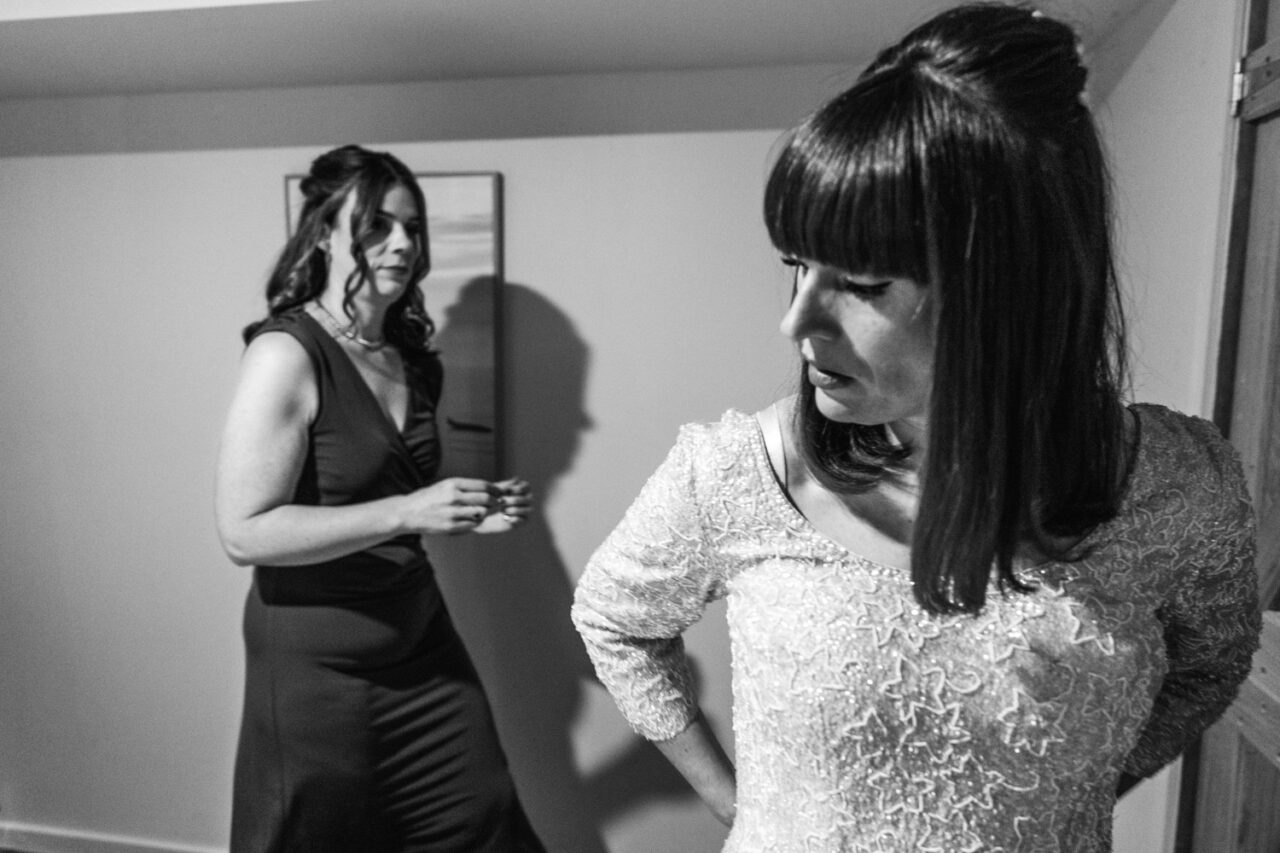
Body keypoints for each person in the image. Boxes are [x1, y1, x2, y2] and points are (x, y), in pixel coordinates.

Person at [571, 4, 1261, 850]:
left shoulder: (1181, 489)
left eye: (862, 284)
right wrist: (736, 803)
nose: (797, 322)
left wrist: (1067, 792)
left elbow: (1209, 666)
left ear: (1011, 288)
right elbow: (615, 618)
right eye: (797, 264)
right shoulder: (739, 472)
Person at [215, 144, 546, 852]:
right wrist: (409, 511)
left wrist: (462, 511)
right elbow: (243, 531)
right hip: (318, 668)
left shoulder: (410, 358)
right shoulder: (285, 354)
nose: (400, 243)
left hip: (421, 642)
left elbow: (382, 493)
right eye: (376, 226)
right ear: (324, 233)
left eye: (411, 227)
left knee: (485, 816)